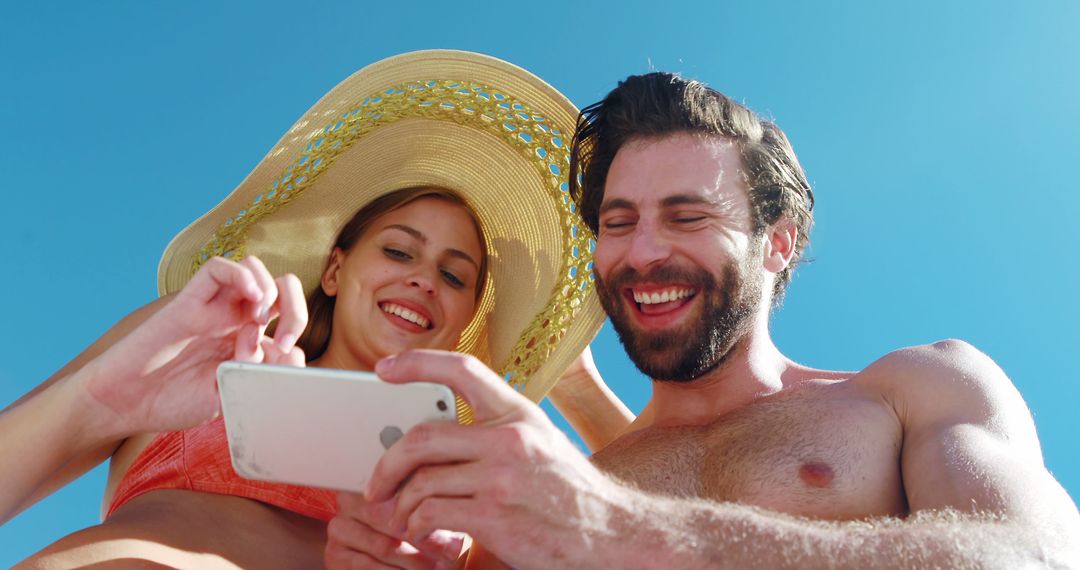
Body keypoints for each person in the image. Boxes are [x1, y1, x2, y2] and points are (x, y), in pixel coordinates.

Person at [326, 72, 1080, 568]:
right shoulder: (557, 487)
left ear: (777, 242)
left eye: (686, 216)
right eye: (618, 223)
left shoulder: (912, 390)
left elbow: (1030, 557)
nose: (643, 252)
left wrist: (612, 529)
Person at [2, 50, 632, 568]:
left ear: (466, 317)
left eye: (452, 274)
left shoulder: (469, 471)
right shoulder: (193, 350)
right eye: (398, 251)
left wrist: (573, 384)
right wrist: (93, 403)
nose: (422, 282)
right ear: (335, 268)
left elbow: (650, 528)